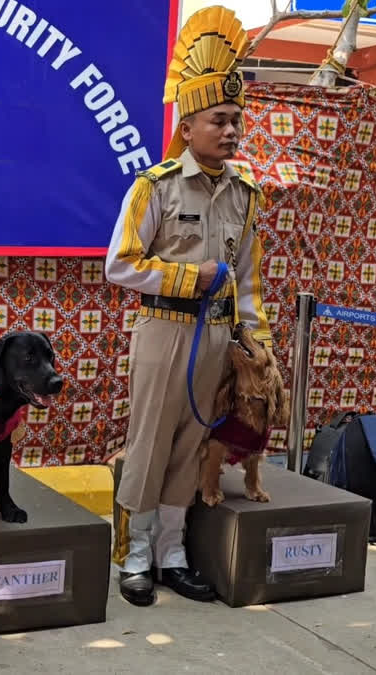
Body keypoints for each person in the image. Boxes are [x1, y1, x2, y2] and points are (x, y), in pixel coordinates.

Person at [104, 4, 273, 608]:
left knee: (191, 445)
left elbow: (247, 278)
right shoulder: (154, 187)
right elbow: (119, 265)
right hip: (163, 333)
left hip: (217, 339)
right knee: (149, 442)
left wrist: (257, 339)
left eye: (236, 121)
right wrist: (186, 278)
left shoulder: (245, 193)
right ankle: (135, 555)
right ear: (187, 124)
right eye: (218, 121)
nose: (230, 132)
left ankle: (173, 552)